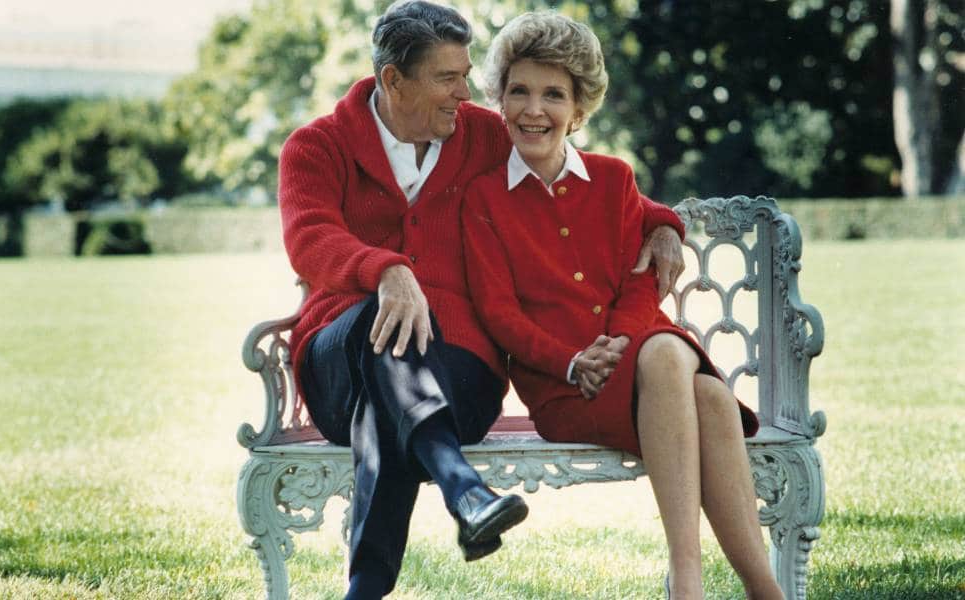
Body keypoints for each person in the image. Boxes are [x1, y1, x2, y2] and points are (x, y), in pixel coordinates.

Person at [277, 2, 687, 598]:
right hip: (338, 362)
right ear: (394, 79)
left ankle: (368, 586)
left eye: (466, 76)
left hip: (459, 377)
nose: (465, 94)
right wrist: (386, 270)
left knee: (385, 398)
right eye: (447, 78)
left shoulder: (483, 135)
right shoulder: (318, 146)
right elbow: (309, 237)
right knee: (380, 324)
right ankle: (462, 487)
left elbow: (584, 186)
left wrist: (664, 223)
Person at [461, 12, 785, 600]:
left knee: (700, 385)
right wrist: (571, 363)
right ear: (499, 100)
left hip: (643, 360)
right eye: (519, 91)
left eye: (553, 95)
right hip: (565, 390)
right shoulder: (483, 198)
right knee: (696, 382)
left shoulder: (614, 178)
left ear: (578, 109)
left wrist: (616, 345)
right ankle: (688, 578)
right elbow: (498, 313)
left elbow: (641, 282)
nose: (534, 110)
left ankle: (758, 590)